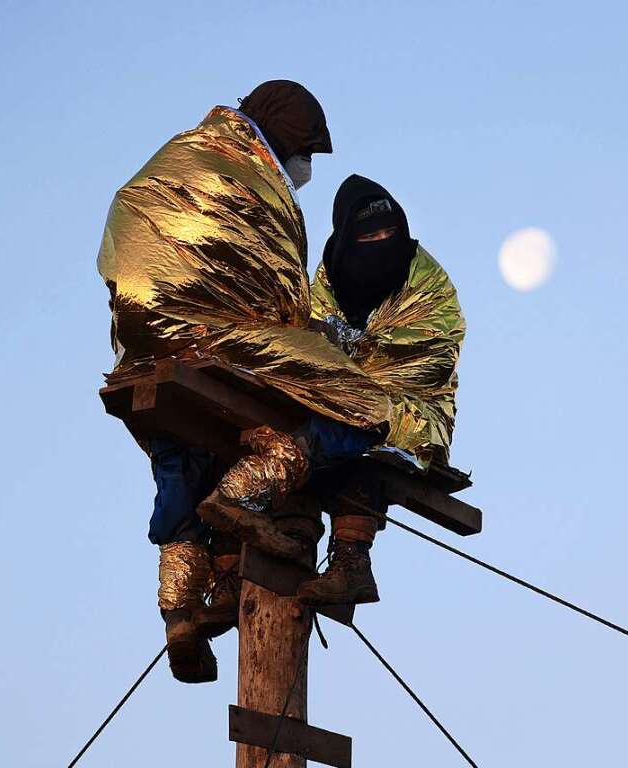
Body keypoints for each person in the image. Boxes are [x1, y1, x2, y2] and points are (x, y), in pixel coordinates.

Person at [97, 82, 390, 684]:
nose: (305, 168)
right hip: (219, 339)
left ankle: (180, 612)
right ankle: (249, 488)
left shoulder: (181, 155)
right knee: (363, 403)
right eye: (306, 151)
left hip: (142, 347)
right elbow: (276, 301)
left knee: (180, 453)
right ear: (287, 136)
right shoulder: (251, 178)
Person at [294, 174, 467, 606]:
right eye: (370, 235)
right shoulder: (325, 286)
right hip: (335, 408)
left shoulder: (427, 282)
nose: (383, 242)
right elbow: (307, 347)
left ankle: (352, 559)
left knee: (371, 437)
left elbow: (431, 356)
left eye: (390, 233)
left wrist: (351, 354)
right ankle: (288, 535)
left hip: (413, 411)